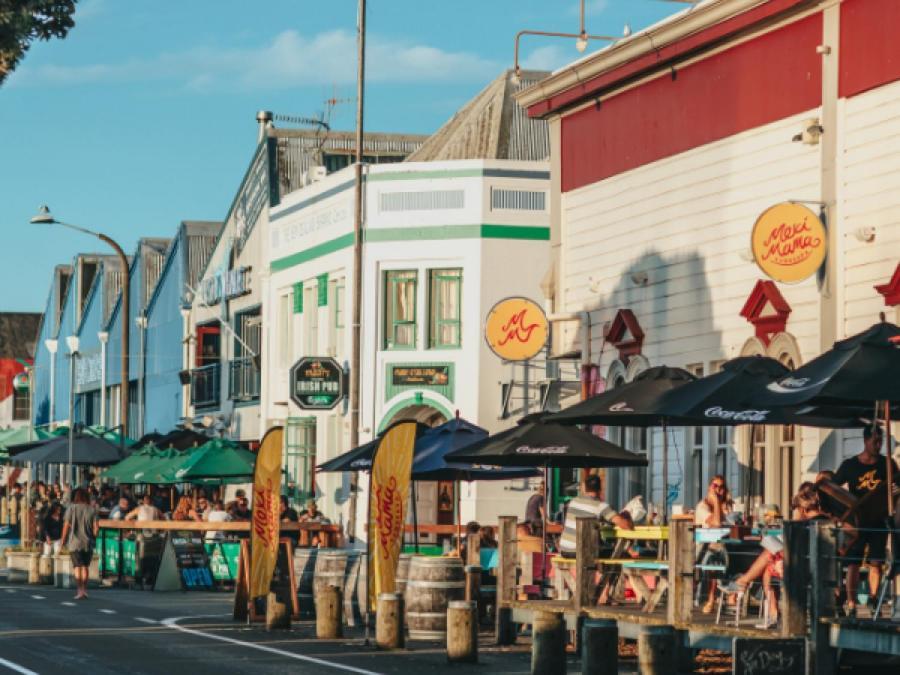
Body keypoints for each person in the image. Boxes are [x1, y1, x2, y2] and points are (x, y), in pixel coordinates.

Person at [833, 424, 899, 616]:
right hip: (857, 520)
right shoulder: (850, 465)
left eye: (880, 441)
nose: (878, 445)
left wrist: (895, 495)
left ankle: (873, 598)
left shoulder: (887, 464)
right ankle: (852, 603)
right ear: (865, 440)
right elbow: (833, 488)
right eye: (875, 441)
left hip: (879, 519)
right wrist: (841, 513)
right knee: (853, 561)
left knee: (876, 562)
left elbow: (898, 484)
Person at [559, 474, 632, 557]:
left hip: (564, 550)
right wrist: (627, 515)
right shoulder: (600, 506)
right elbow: (625, 525)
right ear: (600, 488)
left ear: (585, 488)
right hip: (582, 552)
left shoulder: (573, 502)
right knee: (623, 554)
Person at [694, 475, 734, 613]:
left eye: (721, 487)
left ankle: (732, 593)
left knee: (737, 549)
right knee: (717, 552)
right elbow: (716, 524)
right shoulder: (702, 506)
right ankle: (713, 597)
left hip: (725, 544)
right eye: (715, 486)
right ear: (709, 488)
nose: (718, 490)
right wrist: (716, 502)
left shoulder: (727, 506)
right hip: (702, 549)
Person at [60, 488, 98, 600]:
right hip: (88, 542)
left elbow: (66, 526)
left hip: (74, 542)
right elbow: (96, 528)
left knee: (77, 567)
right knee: (85, 567)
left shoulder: (71, 509)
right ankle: (85, 590)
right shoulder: (92, 510)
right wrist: (93, 536)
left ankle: (79, 590)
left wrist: (63, 541)